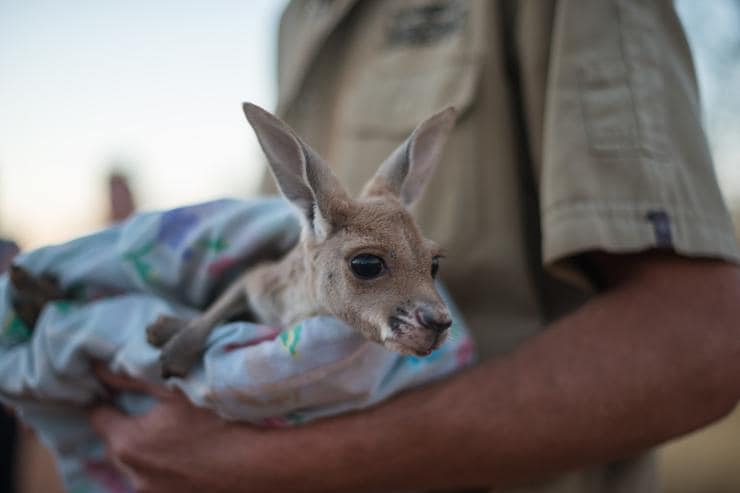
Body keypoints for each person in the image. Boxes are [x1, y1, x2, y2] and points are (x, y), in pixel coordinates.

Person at [89, 1, 740, 492]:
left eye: (430, 267)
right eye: (372, 265)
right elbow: (261, 266)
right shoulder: (297, 19)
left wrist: (262, 464)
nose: (433, 303)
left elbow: (702, 334)